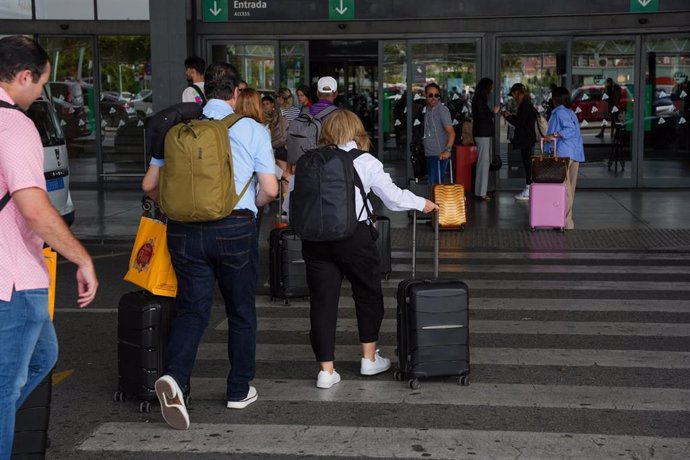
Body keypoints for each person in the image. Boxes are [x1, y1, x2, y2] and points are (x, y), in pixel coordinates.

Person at [143, 62, 278, 430]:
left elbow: (150, 186)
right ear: (235, 93)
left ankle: (175, 377)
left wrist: (176, 208)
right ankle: (238, 390)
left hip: (184, 231)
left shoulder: (178, 129)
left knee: (192, 310)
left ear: (204, 92)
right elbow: (270, 189)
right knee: (240, 311)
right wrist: (249, 205)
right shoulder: (252, 129)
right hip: (234, 228)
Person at [0, 35, 99, 455]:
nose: (41, 92)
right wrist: (82, 257)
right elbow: (35, 208)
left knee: (43, 357)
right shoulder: (15, 125)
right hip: (14, 279)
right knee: (5, 388)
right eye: (41, 83)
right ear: (24, 76)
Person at [300, 109, 438, 389]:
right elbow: (392, 197)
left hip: (315, 241)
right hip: (354, 237)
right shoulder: (365, 161)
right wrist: (422, 203)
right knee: (368, 294)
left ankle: (326, 371)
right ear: (357, 132)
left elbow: (295, 204)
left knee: (322, 303)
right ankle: (368, 357)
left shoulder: (309, 160)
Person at [543, 86, 585, 231]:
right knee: (570, 188)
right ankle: (568, 222)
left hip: (564, 152)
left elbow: (569, 130)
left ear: (556, 98)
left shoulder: (560, 112)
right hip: (575, 152)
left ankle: (562, 221)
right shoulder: (570, 112)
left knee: (564, 189)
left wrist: (553, 135)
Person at [502, 83, 538, 201]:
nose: (513, 97)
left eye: (513, 94)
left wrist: (508, 116)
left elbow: (520, 123)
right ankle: (530, 188)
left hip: (526, 139)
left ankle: (529, 189)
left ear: (517, 93)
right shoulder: (527, 104)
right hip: (528, 138)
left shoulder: (525, 105)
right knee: (528, 164)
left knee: (528, 164)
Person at [472, 77, 500, 201]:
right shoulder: (479, 100)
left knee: (484, 162)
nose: (492, 89)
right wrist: (493, 112)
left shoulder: (479, 99)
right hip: (482, 134)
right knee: (483, 162)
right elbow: (483, 116)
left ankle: (481, 190)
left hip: (483, 133)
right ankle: (481, 192)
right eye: (491, 86)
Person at [422, 82, 455, 185]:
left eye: (436, 95)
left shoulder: (442, 110)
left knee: (436, 186)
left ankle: (438, 202)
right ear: (425, 96)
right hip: (430, 153)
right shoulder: (427, 110)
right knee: (433, 186)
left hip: (439, 154)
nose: (434, 98)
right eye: (430, 95)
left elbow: (451, 133)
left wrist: (447, 151)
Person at [262, 94, 289, 195]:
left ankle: (284, 201)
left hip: (279, 148)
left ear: (272, 104)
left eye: (267, 104)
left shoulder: (278, 117)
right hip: (270, 149)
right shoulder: (260, 118)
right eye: (263, 104)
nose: (265, 106)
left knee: (283, 175)